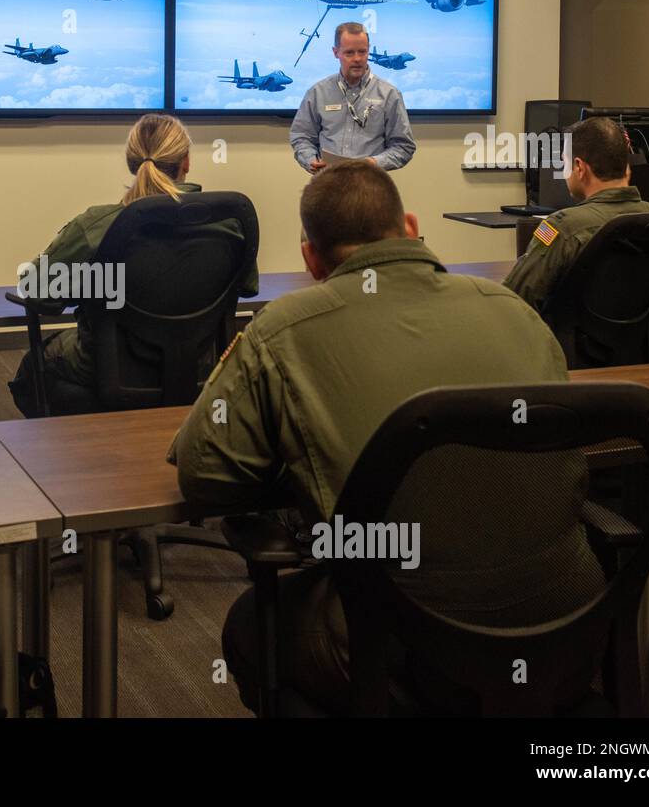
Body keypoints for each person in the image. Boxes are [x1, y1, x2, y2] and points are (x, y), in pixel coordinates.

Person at [169, 160, 603, 715]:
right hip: (566, 627)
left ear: (310, 258)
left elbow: (205, 473)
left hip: (414, 648)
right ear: (411, 225)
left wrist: (302, 455)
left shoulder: (281, 330)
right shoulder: (514, 311)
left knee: (253, 627)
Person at [8, 113, 259, 417]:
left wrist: (89, 288)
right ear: (187, 161)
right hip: (201, 369)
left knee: (32, 368)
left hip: (111, 370)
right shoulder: (230, 225)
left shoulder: (95, 226)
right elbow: (248, 286)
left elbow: (36, 289)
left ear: (131, 162)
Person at [504, 116, 649, 312]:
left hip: (567, 340)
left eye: (564, 163)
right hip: (636, 339)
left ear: (579, 168)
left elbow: (516, 296)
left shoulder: (563, 227)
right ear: (626, 168)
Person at [289, 22, 415, 174]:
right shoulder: (317, 92)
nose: (357, 59)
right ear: (336, 52)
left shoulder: (389, 94)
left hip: (371, 186)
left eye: (362, 52)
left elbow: (403, 146)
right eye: (349, 53)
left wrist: (374, 163)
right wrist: (311, 160)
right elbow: (301, 136)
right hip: (326, 184)